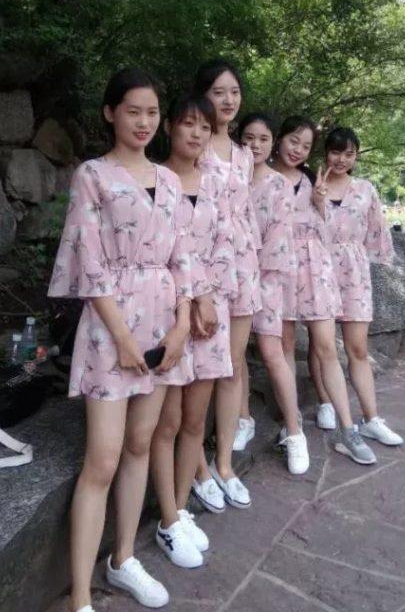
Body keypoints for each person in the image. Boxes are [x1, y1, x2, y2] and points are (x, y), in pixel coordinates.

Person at [48, 68, 194, 612]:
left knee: (140, 444)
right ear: (110, 113)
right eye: (133, 111)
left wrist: (182, 323)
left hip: (164, 321)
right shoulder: (93, 174)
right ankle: (81, 598)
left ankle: (124, 557)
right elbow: (89, 261)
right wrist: (122, 338)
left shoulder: (170, 180)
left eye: (152, 112)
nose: (144, 122)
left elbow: (183, 257)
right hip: (112, 327)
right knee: (104, 458)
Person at [150, 95, 236, 569]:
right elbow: (162, 248)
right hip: (170, 309)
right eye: (188, 124)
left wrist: (211, 298)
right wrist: (196, 297)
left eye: (204, 126)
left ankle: (181, 510)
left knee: (193, 422)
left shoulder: (215, 182)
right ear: (170, 127)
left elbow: (226, 242)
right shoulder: (155, 179)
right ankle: (166, 517)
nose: (197, 133)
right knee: (166, 423)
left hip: (212, 312)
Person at [272, 115, 376, 465]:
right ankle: (292, 426)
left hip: (314, 270)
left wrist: (318, 203)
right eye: (293, 141)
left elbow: (325, 230)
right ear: (278, 140)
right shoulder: (260, 177)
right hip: (277, 270)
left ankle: (349, 428)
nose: (298, 149)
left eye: (305, 145)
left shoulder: (310, 181)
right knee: (284, 347)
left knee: (327, 347)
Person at [192, 60, 262, 511]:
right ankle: (196, 466)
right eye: (219, 92)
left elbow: (246, 209)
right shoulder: (193, 144)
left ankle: (223, 464)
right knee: (202, 367)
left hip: (243, 263)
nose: (228, 100)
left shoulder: (244, 153)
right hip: (204, 264)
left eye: (234, 91)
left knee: (233, 364)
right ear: (203, 95)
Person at [319, 127, 403, 448]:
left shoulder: (365, 189)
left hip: (354, 272)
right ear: (325, 153)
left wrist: (374, 265)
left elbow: (377, 232)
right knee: (322, 346)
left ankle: (371, 419)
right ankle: (327, 403)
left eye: (349, 153)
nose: (342, 159)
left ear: (355, 156)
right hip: (319, 270)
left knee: (358, 349)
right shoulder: (312, 187)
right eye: (336, 152)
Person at [238, 112, 309, 474]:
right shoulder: (229, 177)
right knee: (235, 352)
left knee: (271, 350)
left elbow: (279, 240)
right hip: (232, 276)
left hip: (265, 276)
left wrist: (255, 272)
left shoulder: (279, 184)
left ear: (273, 143)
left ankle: (294, 431)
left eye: (263, 139)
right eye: (249, 138)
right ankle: (243, 418)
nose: (255, 145)